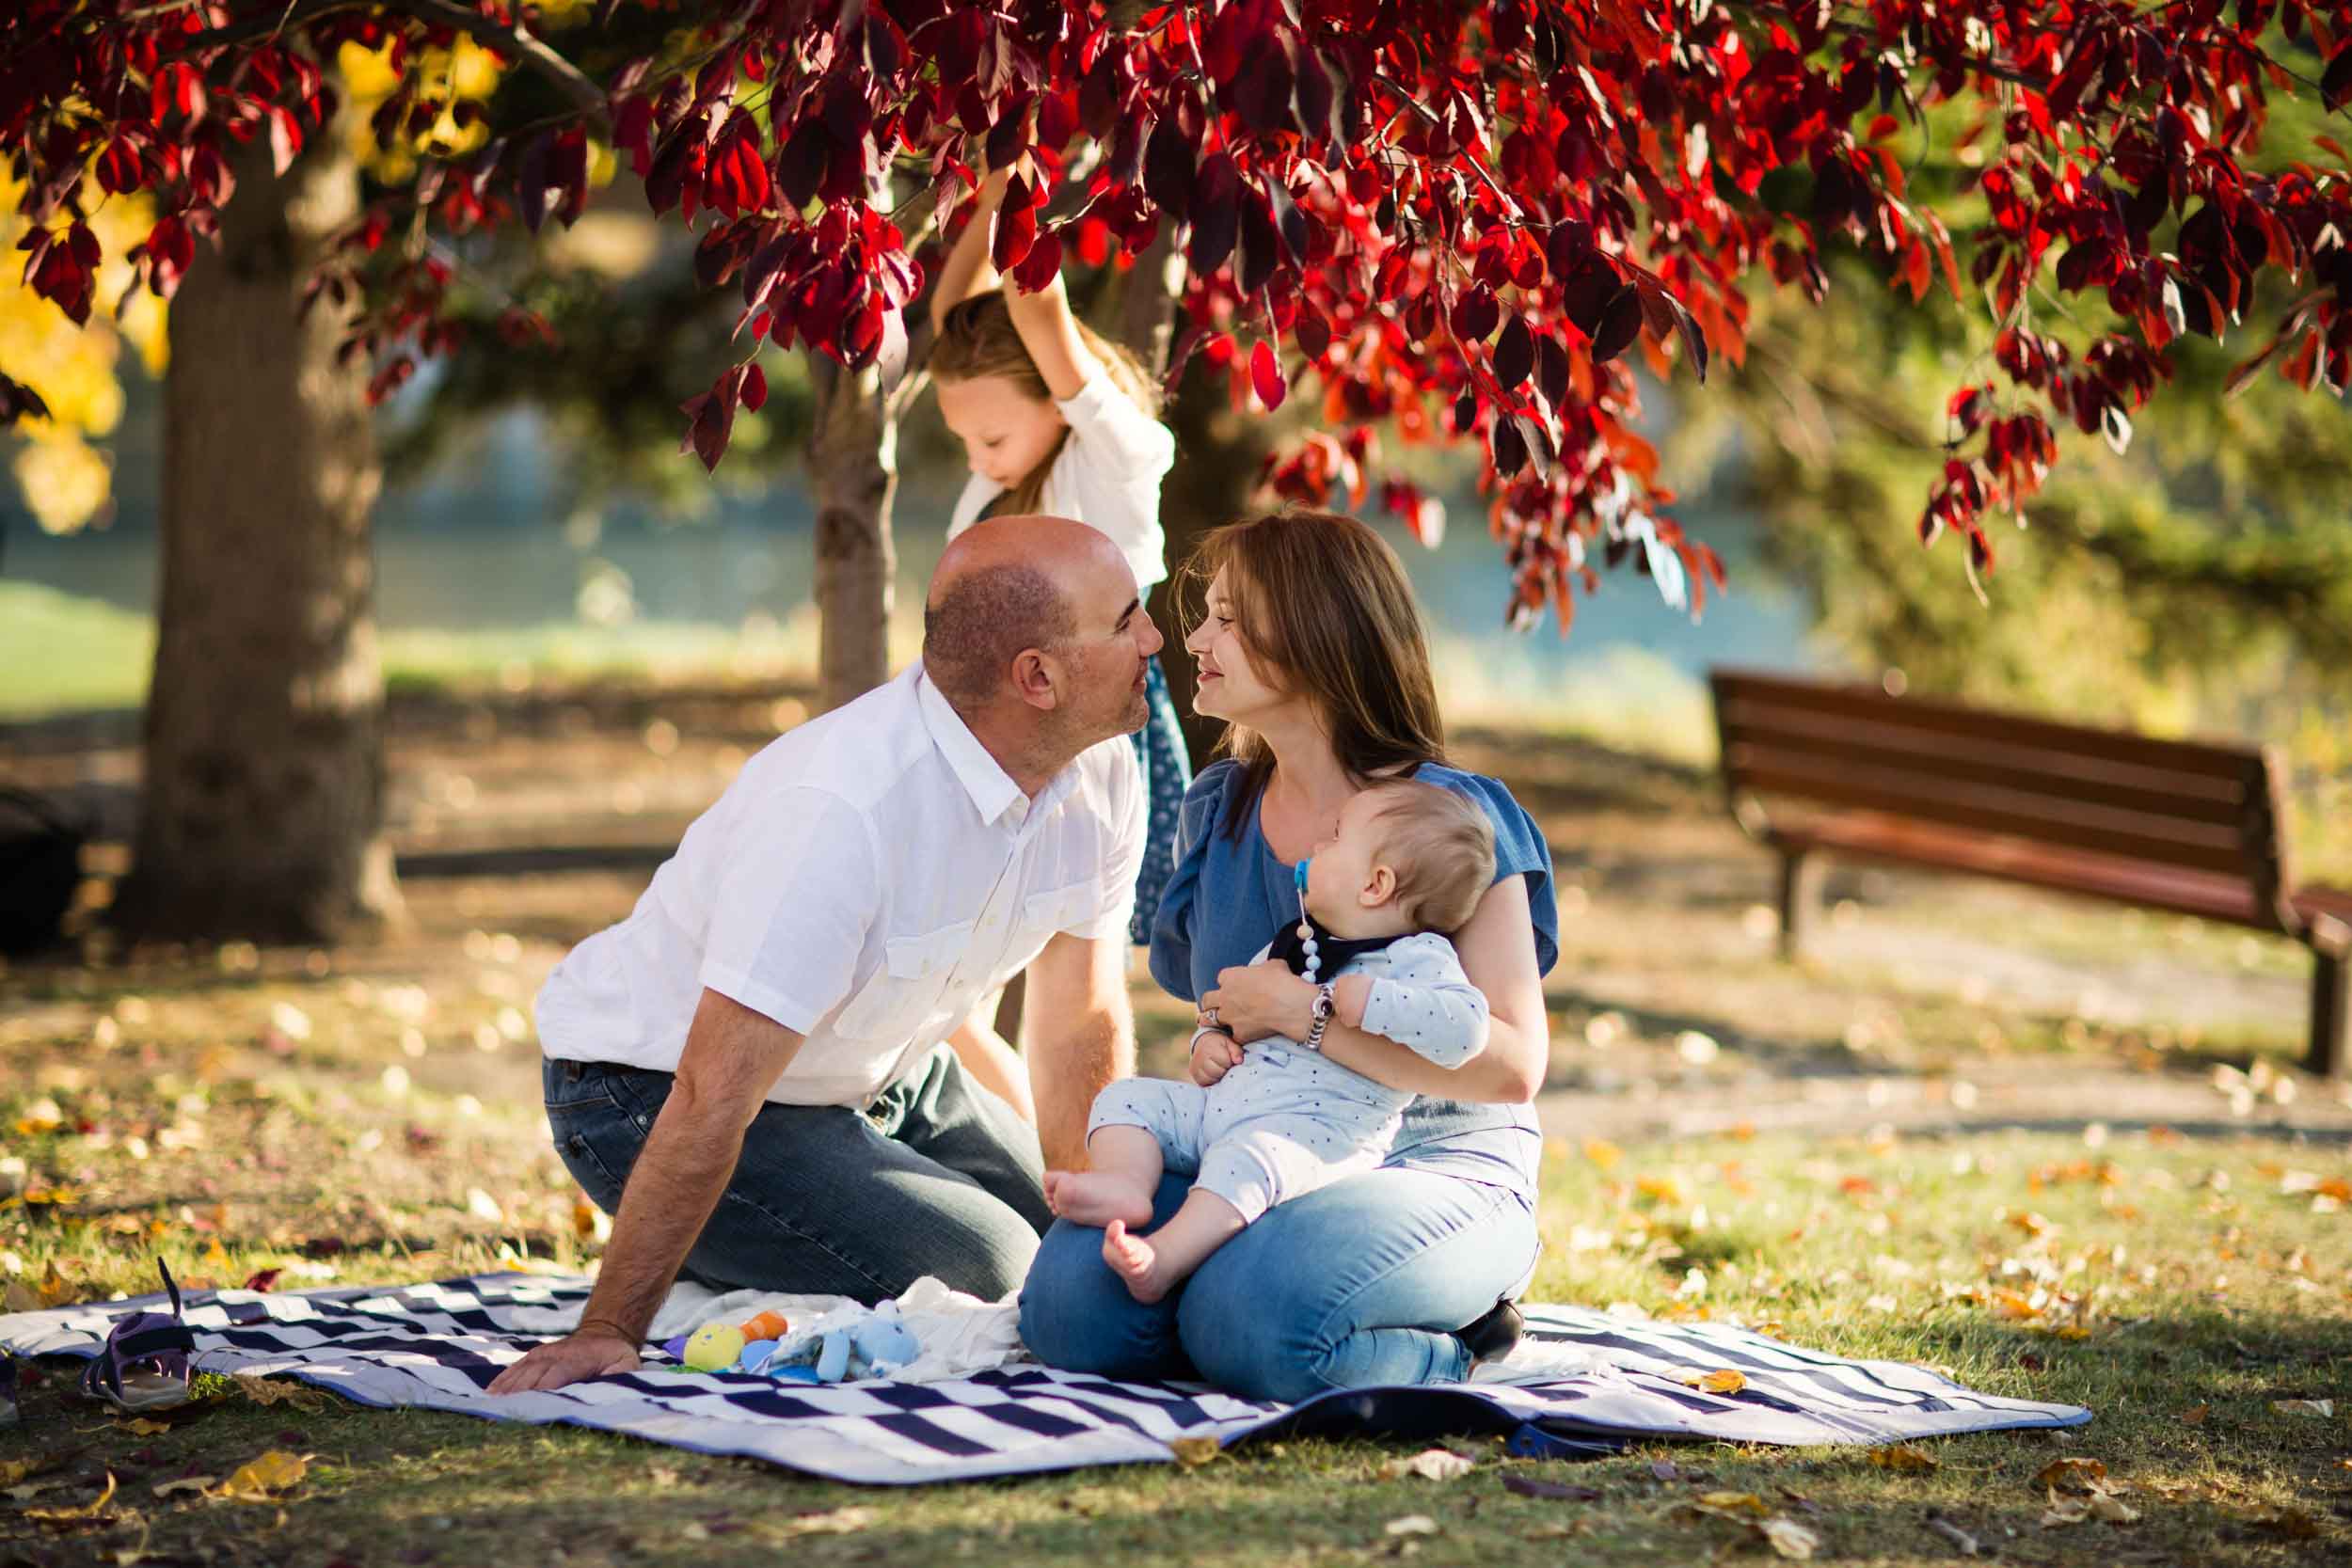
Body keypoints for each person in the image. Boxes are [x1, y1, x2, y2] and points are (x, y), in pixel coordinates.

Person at [491, 515, 1161, 1397]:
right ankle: (711, 1290)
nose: (1155, 637)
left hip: (887, 1066)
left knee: (1102, 1248)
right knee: (998, 1266)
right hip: (644, 1092)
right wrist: (612, 1327)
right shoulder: (838, 811)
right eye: (1126, 620)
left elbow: (1080, 1016)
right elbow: (710, 1090)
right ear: (1036, 676)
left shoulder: (1102, 765)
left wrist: (1086, 1205)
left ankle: (807, 1240)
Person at [1017, 508, 1559, 1403]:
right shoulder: (1216, 807)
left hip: (1430, 1161)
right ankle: (1244, 1316)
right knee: (1072, 1308)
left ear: (1317, 632)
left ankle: (1454, 1343)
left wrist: (1299, 1016)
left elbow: (1509, 1068)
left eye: (1229, 617)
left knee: (1256, 1314)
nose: (1195, 636)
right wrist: (1221, 1043)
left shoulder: (1449, 819)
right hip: (1258, 1142)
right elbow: (1222, 1016)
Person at [1047, 780, 1498, 1304]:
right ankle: (1126, 1184)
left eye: (1334, 839)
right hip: (1221, 1106)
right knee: (1129, 1097)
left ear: (1375, 884)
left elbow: (1467, 1030)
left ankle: (1167, 1256)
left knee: (1245, 1161)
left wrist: (1372, 1000)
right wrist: (1209, 1040)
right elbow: (1233, 1006)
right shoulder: (1297, 940)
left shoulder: (1416, 958)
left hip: (1309, 1135)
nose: (1317, 849)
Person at [928, 159, 1189, 952]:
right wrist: (985, 181)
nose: (979, 459)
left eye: (993, 438)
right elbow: (950, 306)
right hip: (992, 732)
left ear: (1056, 392)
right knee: (957, 947)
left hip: (1092, 738)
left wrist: (1017, 175)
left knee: (1076, 950)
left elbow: (1039, 312)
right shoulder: (1000, 480)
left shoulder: (1115, 463)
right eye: (964, 440)